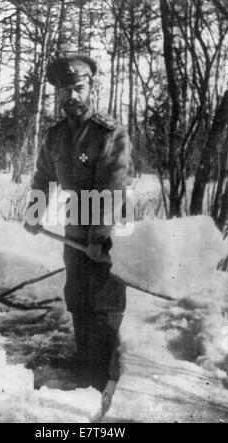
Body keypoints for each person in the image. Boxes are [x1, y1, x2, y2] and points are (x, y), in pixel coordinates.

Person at [24, 55, 133, 391]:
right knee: (78, 294)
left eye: (78, 88)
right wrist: (34, 213)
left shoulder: (110, 133)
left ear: (91, 88)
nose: (71, 95)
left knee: (103, 299)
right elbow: (43, 175)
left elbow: (110, 191)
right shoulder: (55, 135)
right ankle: (85, 361)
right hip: (76, 222)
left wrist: (97, 240)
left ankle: (101, 373)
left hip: (110, 226)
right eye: (64, 90)